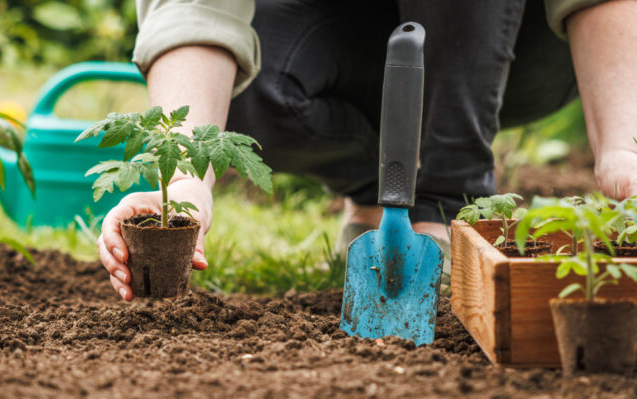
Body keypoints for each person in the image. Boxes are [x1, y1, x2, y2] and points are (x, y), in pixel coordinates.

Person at [98, 0, 637, 301]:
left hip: (522, 40)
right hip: (340, 32)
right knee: (254, 86)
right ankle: (382, 195)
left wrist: (623, 148)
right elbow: (196, 10)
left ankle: (445, 201)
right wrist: (189, 180)